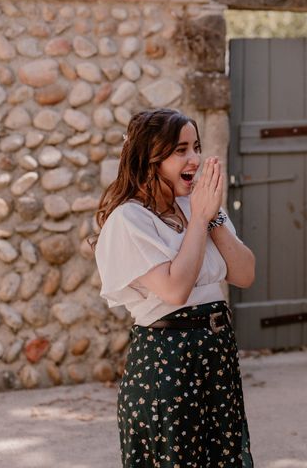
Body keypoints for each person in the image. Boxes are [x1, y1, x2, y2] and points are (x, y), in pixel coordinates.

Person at [90, 108, 256, 467]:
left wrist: (210, 217)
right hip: (168, 362)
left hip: (216, 356)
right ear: (151, 157)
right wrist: (199, 218)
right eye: (181, 150)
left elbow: (244, 274)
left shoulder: (199, 207)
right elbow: (175, 290)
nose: (194, 158)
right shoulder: (129, 219)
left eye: (196, 147)